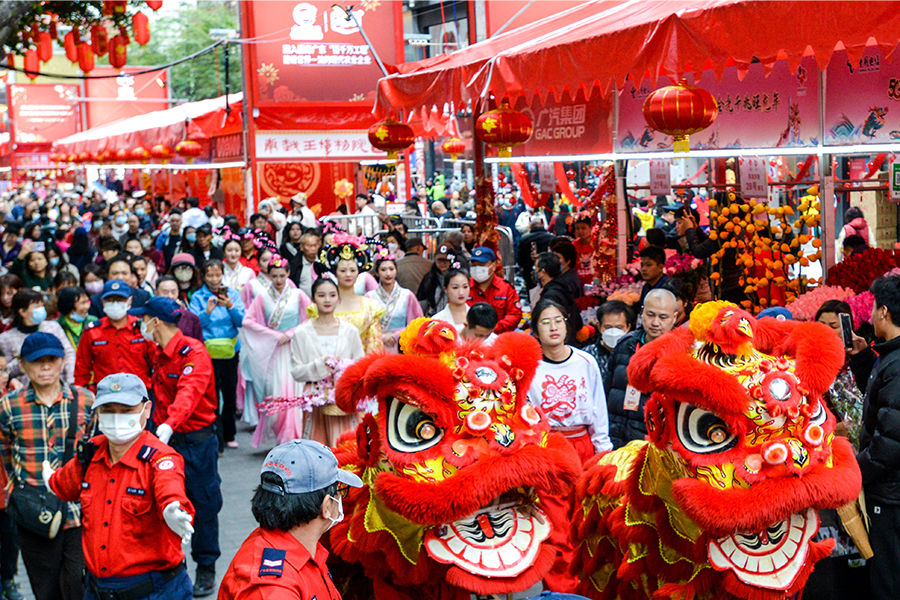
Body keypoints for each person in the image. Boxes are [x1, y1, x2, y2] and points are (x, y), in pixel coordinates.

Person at [44, 373, 195, 600]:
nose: (117, 418)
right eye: (108, 410)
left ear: (146, 409)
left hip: (154, 592)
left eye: (126, 411)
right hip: (97, 591)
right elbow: (63, 486)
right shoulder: (91, 453)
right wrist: (49, 478)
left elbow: (170, 490)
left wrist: (172, 510)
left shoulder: (160, 458)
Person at [129, 296, 222, 597]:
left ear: (155, 322)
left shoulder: (193, 352)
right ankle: (172, 566)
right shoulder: (158, 353)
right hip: (164, 440)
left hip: (196, 443)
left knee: (204, 505)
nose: (139, 324)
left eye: (143, 319)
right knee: (166, 505)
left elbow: (188, 394)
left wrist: (167, 427)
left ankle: (206, 567)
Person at [0, 332, 93, 600]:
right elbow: (6, 453)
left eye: (51, 360)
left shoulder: (84, 400)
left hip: (78, 511)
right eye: (37, 361)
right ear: (24, 365)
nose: (45, 367)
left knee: (78, 582)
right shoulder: (8, 406)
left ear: (62, 361)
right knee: (45, 589)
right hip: (33, 514)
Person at [218, 439, 362, 600]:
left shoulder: (298, 547)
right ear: (326, 506)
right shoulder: (272, 590)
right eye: (339, 491)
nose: (341, 498)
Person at [241, 255, 311, 447]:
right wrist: (271, 335)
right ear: (269, 275)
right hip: (275, 349)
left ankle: (297, 436)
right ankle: (283, 437)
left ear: (288, 273)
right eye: (274, 276)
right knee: (277, 391)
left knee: (295, 390)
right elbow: (247, 321)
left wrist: (292, 332)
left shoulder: (298, 295)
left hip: (295, 348)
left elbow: (311, 317)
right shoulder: (263, 297)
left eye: (282, 275)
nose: (279, 280)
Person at [289, 277, 364, 446]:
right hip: (316, 399)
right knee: (317, 449)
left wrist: (344, 372)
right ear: (313, 299)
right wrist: (320, 366)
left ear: (338, 298)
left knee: (348, 449)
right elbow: (296, 371)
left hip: (344, 400)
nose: (327, 300)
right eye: (321, 295)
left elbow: (360, 366)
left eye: (332, 295)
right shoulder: (301, 333)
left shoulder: (350, 331)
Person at [605, 289, 678, 449]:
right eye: (650, 315)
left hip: (651, 443)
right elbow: (607, 390)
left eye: (663, 317)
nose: (655, 322)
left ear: (674, 318)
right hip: (615, 438)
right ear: (642, 313)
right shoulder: (625, 345)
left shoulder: (679, 354)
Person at [189, 260, 246, 450]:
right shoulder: (198, 296)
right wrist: (207, 312)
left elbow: (241, 321)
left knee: (229, 393)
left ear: (223, 275)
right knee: (211, 394)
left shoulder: (233, 294)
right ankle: (216, 436)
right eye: (210, 275)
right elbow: (194, 324)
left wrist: (230, 305)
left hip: (230, 350)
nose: (214, 279)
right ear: (203, 277)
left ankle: (229, 433)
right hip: (207, 351)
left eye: (218, 275)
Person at [75, 280, 156, 391]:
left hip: (139, 392)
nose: (115, 303)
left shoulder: (142, 328)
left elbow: (157, 362)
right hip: (105, 393)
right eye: (110, 300)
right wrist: (80, 395)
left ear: (129, 301)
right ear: (102, 302)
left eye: (120, 300)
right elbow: (82, 367)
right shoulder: (92, 331)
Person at [320, 238, 384, 353]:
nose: (348, 275)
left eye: (352, 270)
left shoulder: (369, 306)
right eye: (343, 271)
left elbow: (375, 345)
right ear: (335, 273)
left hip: (361, 366)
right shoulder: (322, 305)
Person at [0, 289, 75, 386]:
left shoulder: (53, 327)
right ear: (22, 312)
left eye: (42, 305)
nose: (41, 309)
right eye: (37, 307)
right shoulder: (6, 338)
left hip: (59, 384)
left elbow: (69, 353)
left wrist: (70, 380)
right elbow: (5, 369)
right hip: (25, 388)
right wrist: (22, 360)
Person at [365, 257, 423, 351]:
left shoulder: (407, 295)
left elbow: (416, 324)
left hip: (401, 345)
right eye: (383, 270)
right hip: (377, 344)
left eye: (391, 269)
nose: (388, 273)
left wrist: (396, 335)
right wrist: (382, 336)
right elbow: (365, 325)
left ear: (396, 271)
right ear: (377, 273)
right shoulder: (369, 297)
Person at [467, 247, 522, 334]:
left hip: (499, 338)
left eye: (481, 264)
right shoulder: (464, 286)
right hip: (470, 338)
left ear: (493, 266)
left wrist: (493, 329)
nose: (477, 268)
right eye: (474, 265)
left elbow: (514, 314)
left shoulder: (505, 288)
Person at [534, 252, 582, 345]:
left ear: (543, 272)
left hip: (559, 344)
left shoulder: (550, 296)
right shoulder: (564, 288)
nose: (536, 273)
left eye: (537, 270)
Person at [586, 300, 634, 383]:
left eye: (619, 327)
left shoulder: (634, 354)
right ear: (599, 327)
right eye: (608, 327)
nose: (613, 332)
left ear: (628, 328)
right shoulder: (588, 355)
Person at [155, 276, 204, 342]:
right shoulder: (150, 316)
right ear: (156, 293)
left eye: (173, 292)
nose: (170, 296)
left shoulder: (191, 318)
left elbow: (199, 345)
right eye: (165, 292)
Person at [416, 244, 455, 317]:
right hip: (434, 318)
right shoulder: (429, 278)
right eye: (439, 260)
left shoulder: (457, 277)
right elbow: (422, 302)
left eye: (445, 261)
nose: (442, 263)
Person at [518, 215, 554, 290]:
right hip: (549, 272)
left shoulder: (524, 240)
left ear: (530, 226)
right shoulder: (551, 238)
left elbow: (520, 260)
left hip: (529, 272)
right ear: (542, 225)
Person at [56, 286, 96, 350]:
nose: (87, 306)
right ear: (69, 306)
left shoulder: (93, 322)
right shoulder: (56, 326)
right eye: (83, 303)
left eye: (88, 302)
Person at [433, 269, 471, 335]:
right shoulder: (436, 320)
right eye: (455, 287)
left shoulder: (477, 317)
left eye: (465, 287)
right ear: (446, 289)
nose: (461, 292)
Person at [288, 232, 323, 298]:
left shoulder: (323, 262)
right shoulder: (295, 265)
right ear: (301, 247)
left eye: (315, 245)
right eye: (310, 246)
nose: (313, 249)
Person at [572, 214, 595, 286]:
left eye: (583, 228)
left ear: (591, 228)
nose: (580, 231)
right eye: (577, 228)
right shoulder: (573, 246)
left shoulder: (597, 244)